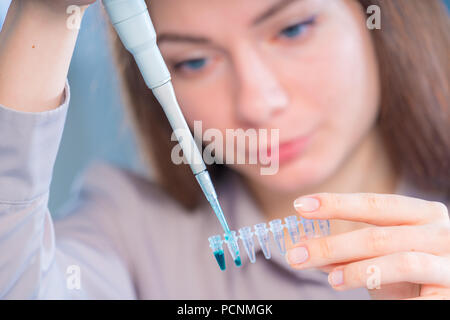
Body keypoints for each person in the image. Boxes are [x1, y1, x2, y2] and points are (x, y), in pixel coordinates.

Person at [0, 0, 448, 300]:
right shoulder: (129, 229)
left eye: (293, 29)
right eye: (194, 62)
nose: (257, 103)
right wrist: (45, 11)